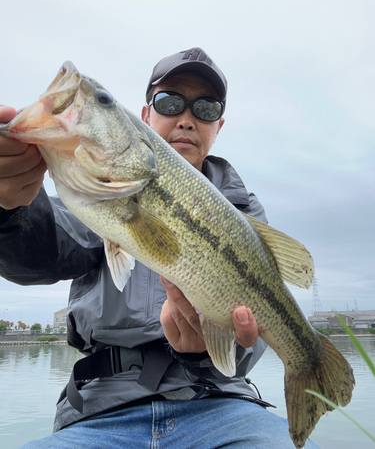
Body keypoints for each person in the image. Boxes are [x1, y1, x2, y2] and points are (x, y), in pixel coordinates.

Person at [0, 48, 319, 448]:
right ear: (146, 116)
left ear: (217, 126)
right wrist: (8, 208)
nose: (187, 118)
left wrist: (203, 353)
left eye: (205, 108)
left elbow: (249, 337)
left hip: (219, 405)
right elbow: (42, 253)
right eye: (170, 102)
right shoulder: (90, 193)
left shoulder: (244, 211)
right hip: (100, 412)